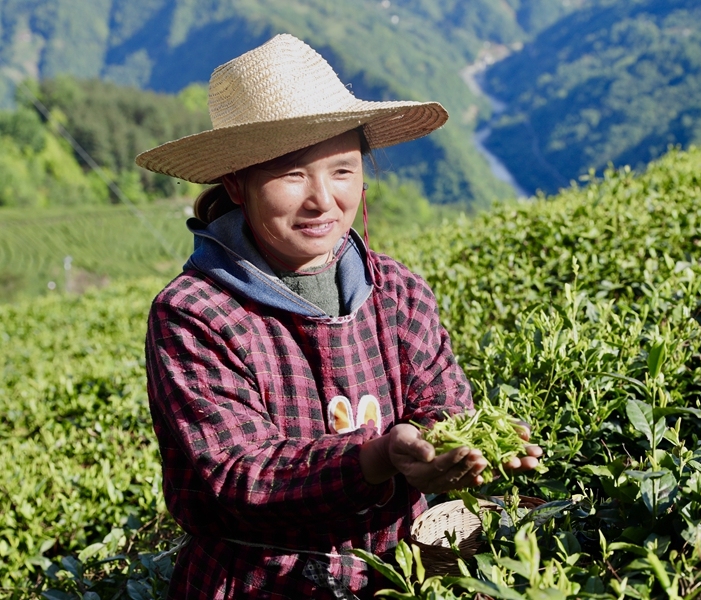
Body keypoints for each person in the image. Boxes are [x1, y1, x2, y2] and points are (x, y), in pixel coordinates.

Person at [137, 34, 541, 599]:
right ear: (236, 183)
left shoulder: (397, 290)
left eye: (342, 171)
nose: (322, 200)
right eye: (292, 174)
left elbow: (442, 402)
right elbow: (238, 476)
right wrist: (375, 457)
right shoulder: (194, 315)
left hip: (404, 576)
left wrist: (451, 448)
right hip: (258, 585)